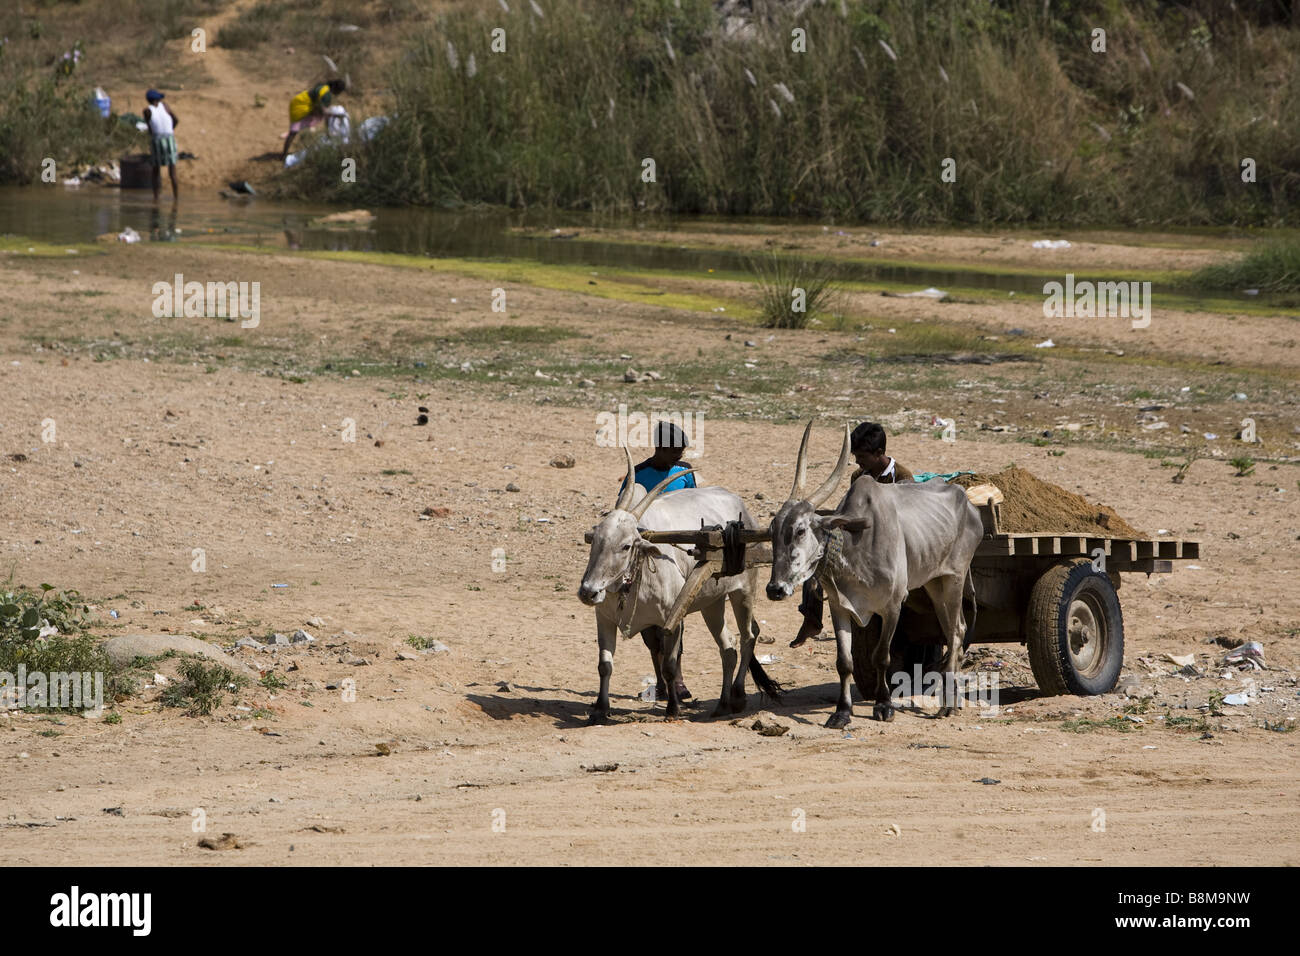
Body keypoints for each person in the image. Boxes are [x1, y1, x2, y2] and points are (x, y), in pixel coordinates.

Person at [789, 421, 913, 648]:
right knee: (816, 558)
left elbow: (905, 520)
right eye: (856, 456)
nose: (857, 462)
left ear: (879, 453)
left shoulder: (902, 477)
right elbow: (851, 512)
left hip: (890, 549)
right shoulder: (858, 476)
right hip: (858, 543)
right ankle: (811, 617)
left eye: (862, 456)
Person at [619, 421, 698, 700]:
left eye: (681, 450)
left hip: (676, 553)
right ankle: (663, 681)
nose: (679, 455)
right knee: (650, 624)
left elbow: (693, 505)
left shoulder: (684, 472)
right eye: (674, 450)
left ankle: (677, 678)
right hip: (646, 552)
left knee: (675, 616)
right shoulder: (638, 475)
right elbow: (624, 512)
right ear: (659, 448)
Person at [283, 78, 346, 159]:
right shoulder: (327, 95)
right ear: (336, 89)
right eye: (339, 91)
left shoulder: (324, 87)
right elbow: (324, 112)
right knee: (293, 132)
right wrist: (336, 116)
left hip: (299, 100)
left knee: (294, 132)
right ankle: (284, 155)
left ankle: (284, 154)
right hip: (301, 107)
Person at [142, 89, 179, 202]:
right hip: (170, 139)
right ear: (157, 100)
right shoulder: (165, 106)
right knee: (172, 171)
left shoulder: (147, 111)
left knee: (156, 170)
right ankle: (176, 198)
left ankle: (156, 198)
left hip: (157, 140)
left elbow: (150, 128)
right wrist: (170, 130)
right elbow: (176, 120)